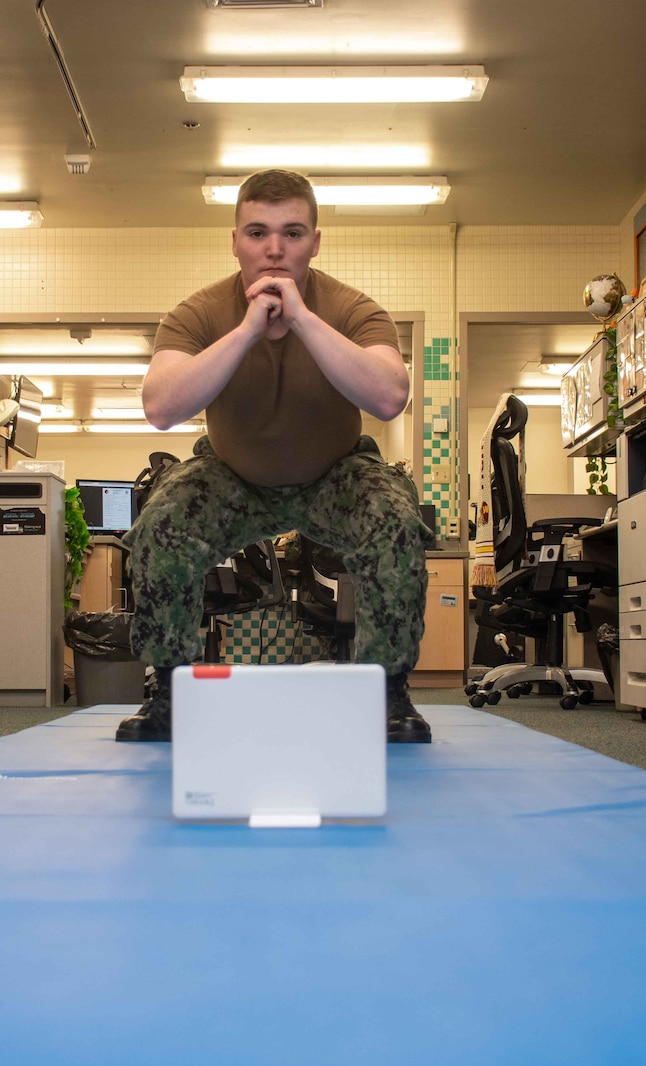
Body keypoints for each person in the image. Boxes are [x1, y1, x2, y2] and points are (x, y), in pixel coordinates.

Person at [116, 169, 433, 744]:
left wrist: (303, 320)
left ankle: (387, 691)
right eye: (258, 232)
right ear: (235, 241)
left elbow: (390, 398)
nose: (274, 249)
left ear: (315, 242)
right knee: (162, 524)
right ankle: (170, 690)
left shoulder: (352, 309)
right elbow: (160, 407)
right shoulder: (197, 314)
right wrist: (245, 330)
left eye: (292, 233)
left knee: (395, 522)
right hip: (234, 476)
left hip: (334, 474)